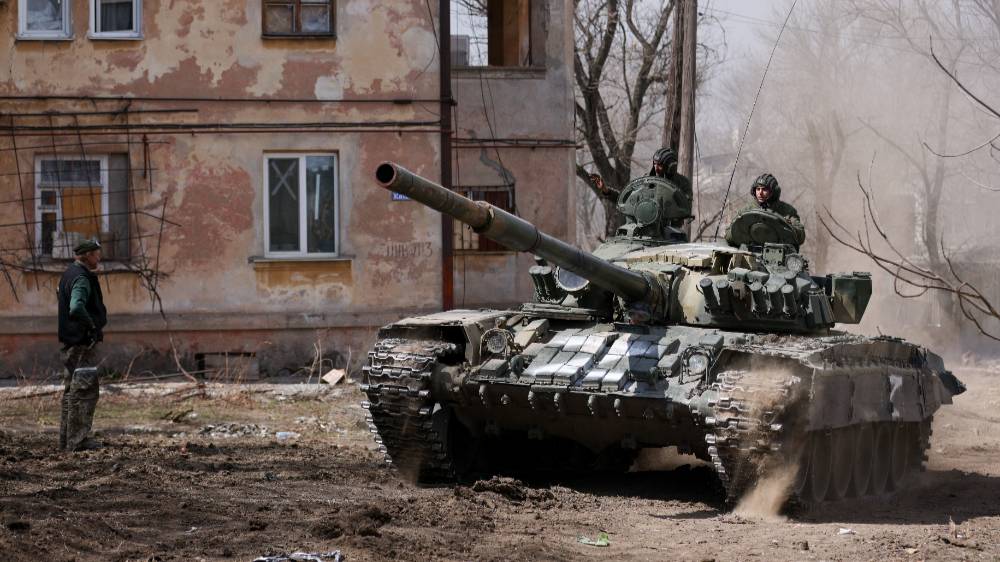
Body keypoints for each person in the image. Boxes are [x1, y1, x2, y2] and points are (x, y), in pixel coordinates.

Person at [57, 239, 108, 451]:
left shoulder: (69, 273)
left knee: (70, 391)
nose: (99, 257)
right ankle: (78, 440)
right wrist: (92, 326)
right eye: (96, 254)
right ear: (87, 255)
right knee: (84, 390)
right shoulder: (81, 278)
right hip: (81, 343)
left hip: (70, 341)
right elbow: (76, 307)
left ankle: (66, 440)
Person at [725, 172, 805, 246]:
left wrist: (787, 227)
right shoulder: (746, 210)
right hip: (750, 251)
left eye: (764, 189)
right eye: (758, 189)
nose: (760, 193)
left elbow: (800, 236)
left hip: (778, 251)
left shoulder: (787, 211)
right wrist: (740, 226)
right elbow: (728, 236)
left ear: (773, 192)